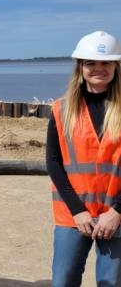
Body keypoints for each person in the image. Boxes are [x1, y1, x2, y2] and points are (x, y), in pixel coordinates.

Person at [46, 30, 121, 286]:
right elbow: (54, 163)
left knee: (110, 282)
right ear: (80, 67)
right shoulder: (61, 109)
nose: (98, 68)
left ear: (115, 66)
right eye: (91, 63)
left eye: (106, 62)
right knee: (63, 280)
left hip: (116, 213)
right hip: (73, 213)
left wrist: (116, 212)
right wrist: (78, 211)